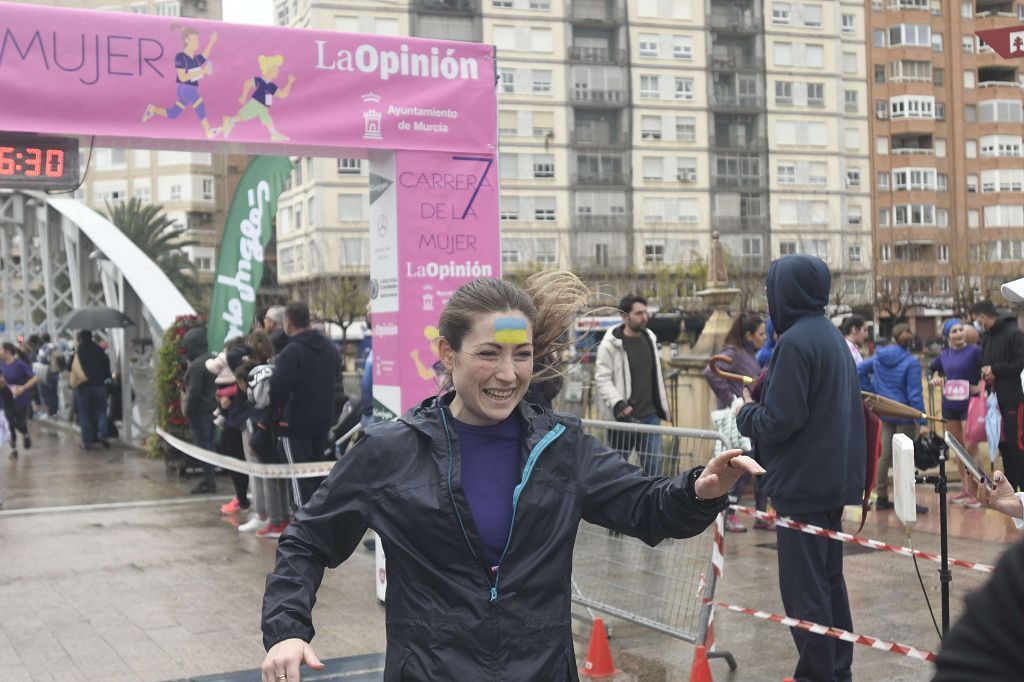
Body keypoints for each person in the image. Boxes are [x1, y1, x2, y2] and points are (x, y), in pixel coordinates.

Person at [260, 273, 763, 681]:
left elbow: (647, 506)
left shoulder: (560, 447)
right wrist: (287, 629)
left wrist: (700, 488)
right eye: (488, 354)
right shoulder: (390, 451)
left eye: (521, 354)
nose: (508, 374)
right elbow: (307, 541)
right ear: (447, 352)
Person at [736, 254, 866, 682]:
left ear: (783, 293)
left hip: (803, 484)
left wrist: (745, 414)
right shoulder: (830, 336)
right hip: (832, 481)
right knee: (829, 584)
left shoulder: (794, 342)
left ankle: (816, 674)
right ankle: (836, 670)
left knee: (804, 591)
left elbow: (779, 420)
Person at [594, 294, 671, 476]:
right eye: (638, 313)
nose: (644, 317)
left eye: (645, 312)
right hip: (624, 418)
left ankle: (653, 503)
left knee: (654, 466)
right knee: (617, 468)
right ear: (624, 316)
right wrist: (618, 403)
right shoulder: (610, 344)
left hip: (650, 416)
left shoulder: (649, 337)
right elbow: (602, 378)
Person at [703, 312, 767, 532]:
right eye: (761, 333)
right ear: (749, 335)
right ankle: (728, 512)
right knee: (740, 467)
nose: (765, 338)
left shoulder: (751, 355)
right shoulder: (733, 352)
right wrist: (731, 398)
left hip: (750, 420)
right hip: (737, 422)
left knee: (758, 466)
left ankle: (761, 514)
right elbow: (711, 372)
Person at [269, 302, 338, 505]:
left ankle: (303, 529)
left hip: (294, 425)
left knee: (298, 481)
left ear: (288, 322)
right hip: (323, 421)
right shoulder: (328, 347)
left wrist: (274, 415)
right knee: (316, 478)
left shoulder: (291, 352)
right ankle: (316, 525)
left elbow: (278, 389)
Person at [858, 324, 930, 513]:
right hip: (904, 413)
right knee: (904, 456)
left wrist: (874, 393)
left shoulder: (879, 357)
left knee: (884, 456)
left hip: (884, 410)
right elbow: (915, 395)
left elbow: (859, 370)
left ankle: (881, 497)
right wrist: (922, 421)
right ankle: (906, 501)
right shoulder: (911, 362)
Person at [929, 319, 983, 508]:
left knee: (971, 447)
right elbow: (932, 370)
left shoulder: (975, 351)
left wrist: (980, 386)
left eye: (960, 330)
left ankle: (979, 491)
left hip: (970, 404)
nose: (959, 334)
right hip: (949, 405)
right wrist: (935, 379)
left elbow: (987, 370)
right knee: (958, 448)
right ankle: (965, 488)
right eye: (954, 331)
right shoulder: (944, 355)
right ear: (947, 336)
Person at [971, 300, 1024, 491]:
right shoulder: (986, 337)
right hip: (994, 401)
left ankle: (1022, 489)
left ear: (982, 318)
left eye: (976, 320)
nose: (977, 323)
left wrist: (996, 370)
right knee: (1002, 445)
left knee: (1015, 444)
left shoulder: (1014, 334)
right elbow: (985, 363)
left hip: (1012, 399)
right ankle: (1011, 489)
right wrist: (986, 372)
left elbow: (1019, 364)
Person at [142, 26, 221, 139]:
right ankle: (208, 131)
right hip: (185, 88)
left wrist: (212, 41)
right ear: (186, 40)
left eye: (197, 39)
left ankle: (153, 109)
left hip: (189, 88)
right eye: (194, 39)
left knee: (174, 113)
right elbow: (183, 77)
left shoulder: (194, 59)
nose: (197, 41)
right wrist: (202, 71)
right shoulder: (180, 57)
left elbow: (204, 56)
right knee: (199, 104)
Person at [223, 54, 296, 141]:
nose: (277, 72)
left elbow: (282, 94)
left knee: (264, 117)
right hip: (256, 103)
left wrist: (289, 83)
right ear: (269, 69)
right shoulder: (261, 81)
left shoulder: (272, 86)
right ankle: (230, 121)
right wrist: (243, 97)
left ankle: (273, 133)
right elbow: (247, 83)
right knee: (244, 116)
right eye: (275, 69)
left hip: (263, 106)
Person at [182, 327, 218, 494]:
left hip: (200, 412)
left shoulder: (197, 366)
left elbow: (194, 392)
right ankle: (210, 478)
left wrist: (187, 410)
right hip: (214, 410)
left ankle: (208, 481)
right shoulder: (214, 359)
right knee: (209, 445)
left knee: (203, 448)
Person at [72, 329, 112, 451]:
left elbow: (70, 367)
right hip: (99, 385)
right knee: (102, 411)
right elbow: (107, 369)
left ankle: (87, 442)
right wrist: (107, 380)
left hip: (83, 386)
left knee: (84, 413)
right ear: (92, 337)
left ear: (80, 339)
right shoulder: (100, 350)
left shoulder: (79, 351)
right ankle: (101, 433)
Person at [0, 342, 38, 459]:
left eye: (0, 349)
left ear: (7, 351)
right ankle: (14, 449)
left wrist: (24, 387)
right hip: (5, 399)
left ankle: (25, 434)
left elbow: (35, 378)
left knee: (19, 423)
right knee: (8, 423)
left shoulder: (19, 364)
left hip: (20, 398)